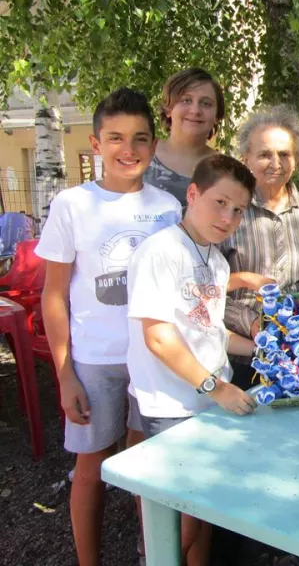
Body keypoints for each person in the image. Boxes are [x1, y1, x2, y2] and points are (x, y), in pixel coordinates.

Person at [36, 88, 182, 566]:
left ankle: (152, 552)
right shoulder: (71, 205)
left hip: (153, 359)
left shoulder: (167, 207)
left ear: (154, 145)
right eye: (116, 138)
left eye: (141, 138)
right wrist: (64, 375)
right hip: (94, 362)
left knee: (146, 466)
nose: (129, 149)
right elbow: (53, 294)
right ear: (96, 144)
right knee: (91, 466)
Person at [126, 154, 258, 565]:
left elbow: (211, 331)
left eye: (238, 211)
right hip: (173, 407)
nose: (228, 217)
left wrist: (264, 348)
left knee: (200, 517)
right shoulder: (160, 251)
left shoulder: (217, 261)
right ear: (193, 193)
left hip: (206, 402)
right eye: (220, 203)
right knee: (177, 526)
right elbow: (159, 338)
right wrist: (216, 388)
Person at [221, 105, 299, 389]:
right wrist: (251, 323)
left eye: (284, 154)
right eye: (264, 154)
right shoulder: (229, 211)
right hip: (243, 356)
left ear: (296, 161)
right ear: (245, 158)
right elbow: (208, 288)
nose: (276, 162)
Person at [144, 67, 225, 206]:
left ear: (217, 116)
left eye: (206, 103)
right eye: (186, 100)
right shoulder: (142, 155)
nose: (195, 110)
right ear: (169, 109)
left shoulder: (226, 170)